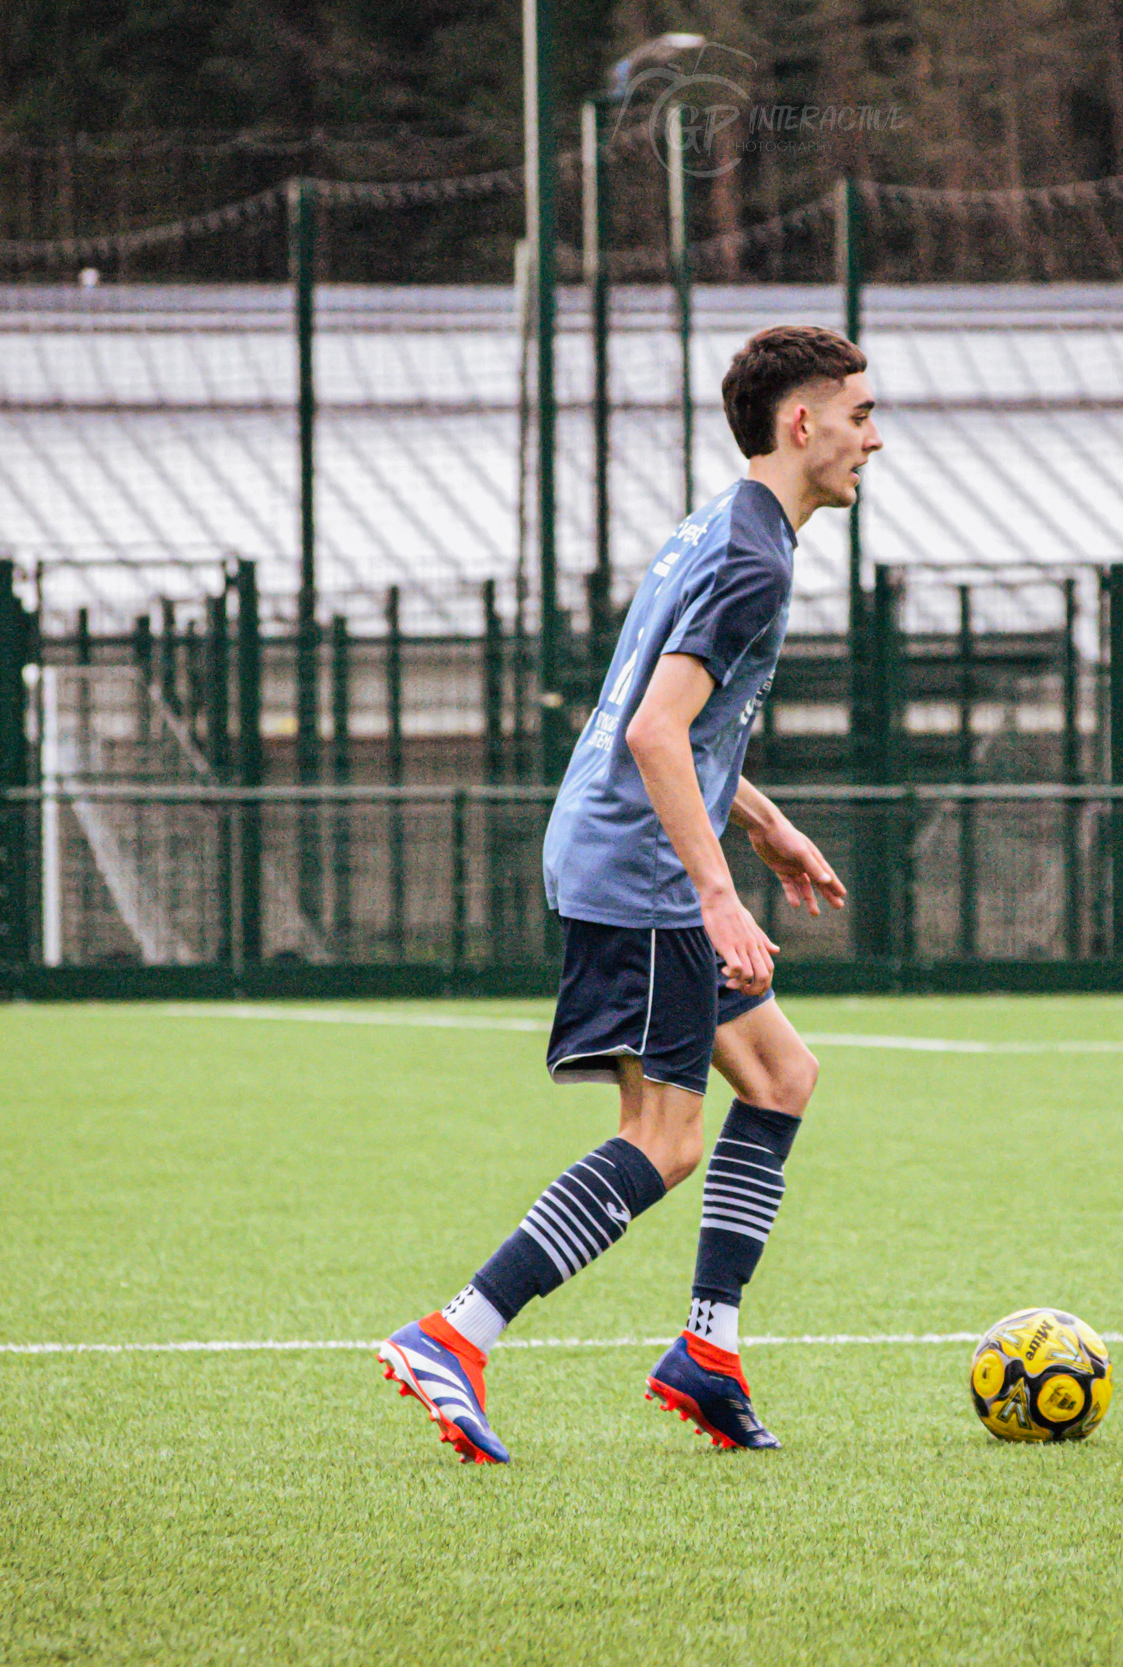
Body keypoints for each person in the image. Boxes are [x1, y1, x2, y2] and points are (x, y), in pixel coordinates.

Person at [376, 326, 878, 1463]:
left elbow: (662, 716)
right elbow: (653, 730)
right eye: (856, 413)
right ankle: (457, 1330)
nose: (872, 435)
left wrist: (766, 822)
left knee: (781, 1074)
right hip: (637, 869)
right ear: (801, 424)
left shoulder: (721, 522)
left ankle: (706, 1347)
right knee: (662, 1135)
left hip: (627, 848)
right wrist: (716, 892)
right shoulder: (752, 556)